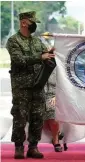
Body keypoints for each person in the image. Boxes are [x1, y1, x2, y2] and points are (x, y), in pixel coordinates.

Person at [6, 11, 55, 159]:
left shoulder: (37, 41)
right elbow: (18, 60)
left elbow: (46, 54)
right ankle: (19, 147)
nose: (34, 25)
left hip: (37, 85)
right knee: (20, 117)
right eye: (32, 22)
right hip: (22, 86)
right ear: (23, 22)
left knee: (37, 117)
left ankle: (33, 147)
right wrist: (40, 57)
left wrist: (51, 53)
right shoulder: (13, 41)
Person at [43, 69, 64, 152]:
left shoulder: (59, 64)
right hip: (38, 94)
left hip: (53, 94)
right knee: (41, 121)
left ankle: (56, 140)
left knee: (53, 117)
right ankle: (57, 134)